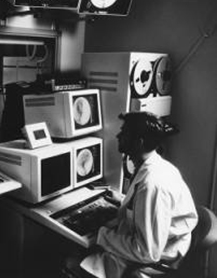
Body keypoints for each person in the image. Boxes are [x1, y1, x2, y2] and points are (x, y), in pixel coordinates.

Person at [69, 111, 198, 278]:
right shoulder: (156, 165)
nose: (118, 135)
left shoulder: (152, 185)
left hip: (156, 257)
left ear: (139, 142)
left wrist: (101, 235)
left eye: (124, 132)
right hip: (159, 242)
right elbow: (149, 208)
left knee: (72, 262)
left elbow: (147, 253)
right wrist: (124, 201)